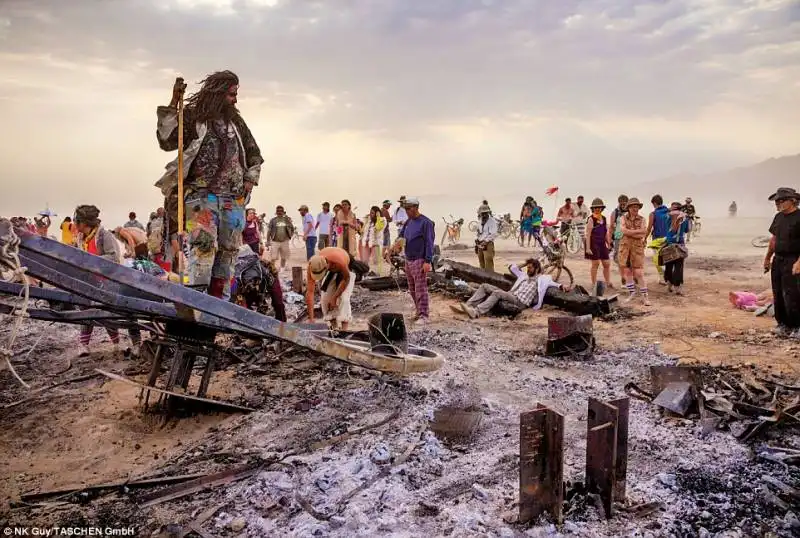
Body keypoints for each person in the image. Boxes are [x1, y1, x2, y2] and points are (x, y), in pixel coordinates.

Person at [155, 72, 263, 299]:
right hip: (201, 200)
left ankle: (219, 304)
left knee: (228, 255)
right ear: (218, 93)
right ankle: (198, 303)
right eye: (232, 94)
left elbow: (255, 155)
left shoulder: (236, 123)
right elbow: (167, 140)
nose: (235, 100)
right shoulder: (194, 119)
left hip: (233, 201)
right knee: (202, 252)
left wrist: (250, 181)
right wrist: (174, 102)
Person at [74, 205, 141, 355]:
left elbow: (113, 257)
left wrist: (90, 260)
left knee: (126, 311)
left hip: (111, 281)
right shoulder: (80, 238)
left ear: (84, 223)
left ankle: (137, 343)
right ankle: (85, 344)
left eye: (77, 221)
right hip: (91, 281)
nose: (75, 224)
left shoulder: (104, 236)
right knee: (86, 308)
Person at [454, 259, 565, 318]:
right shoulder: (524, 276)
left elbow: (553, 283)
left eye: (530, 268)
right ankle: (468, 306)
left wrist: (561, 286)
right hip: (512, 295)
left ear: (536, 269)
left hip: (520, 302)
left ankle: (476, 312)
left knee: (497, 293)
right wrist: (526, 263)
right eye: (528, 267)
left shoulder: (542, 278)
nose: (528, 269)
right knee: (484, 286)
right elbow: (513, 267)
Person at [389, 197, 435, 324]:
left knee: (421, 288)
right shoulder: (409, 221)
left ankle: (424, 315)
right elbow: (401, 236)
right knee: (412, 288)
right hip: (408, 258)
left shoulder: (426, 223)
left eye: (409, 209)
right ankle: (418, 310)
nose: (407, 211)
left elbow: (429, 243)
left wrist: (427, 261)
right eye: (406, 209)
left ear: (415, 208)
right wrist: (394, 246)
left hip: (420, 259)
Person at [764, 187, 800, 337]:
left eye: (781, 200)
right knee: (778, 292)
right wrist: (767, 258)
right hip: (778, 259)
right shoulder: (778, 217)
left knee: (794, 293)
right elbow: (774, 239)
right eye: (776, 201)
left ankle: (797, 326)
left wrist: (799, 262)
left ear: (792, 201)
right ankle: (783, 324)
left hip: (794, 259)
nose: (777, 203)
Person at [306, 247, 354, 330]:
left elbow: (346, 279)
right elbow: (310, 292)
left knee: (344, 299)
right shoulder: (312, 265)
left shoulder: (339, 262)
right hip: (331, 270)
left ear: (326, 266)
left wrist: (335, 297)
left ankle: (344, 331)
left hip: (346, 271)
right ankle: (334, 328)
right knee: (325, 300)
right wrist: (311, 319)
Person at [619, 197, 650, 306]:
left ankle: (645, 296)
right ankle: (632, 293)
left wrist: (630, 232)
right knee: (627, 272)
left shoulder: (642, 219)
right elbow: (623, 230)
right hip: (625, 248)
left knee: (639, 273)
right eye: (633, 207)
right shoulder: (623, 218)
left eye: (637, 207)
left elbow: (643, 232)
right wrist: (636, 232)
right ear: (629, 208)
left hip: (637, 248)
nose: (635, 209)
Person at [585, 198, 612, 293]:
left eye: (599, 207)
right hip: (593, 243)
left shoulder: (603, 218)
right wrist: (588, 248)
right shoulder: (591, 219)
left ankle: (608, 282)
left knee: (606, 263)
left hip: (602, 243)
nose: (597, 209)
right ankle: (593, 283)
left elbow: (605, 232)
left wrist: (608, 243)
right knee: (595, 264)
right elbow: (588, 234)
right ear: (593, 208)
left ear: (602, 208)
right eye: (596, 207)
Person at [663, 202, 689, 295]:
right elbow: (687, 230)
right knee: (679, 266)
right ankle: (677, 287)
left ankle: (669, 284)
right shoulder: (685, 218)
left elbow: (667, 229)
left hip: (669, 243)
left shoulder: (667, 216)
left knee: (668, 265)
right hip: (680, 244)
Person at [646, 194, 671, 284]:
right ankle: (668, 277)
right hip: (668, 239)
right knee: (667, 258)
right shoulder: (669, 212)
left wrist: (645, 238)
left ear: (654, 203)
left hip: (657, 239)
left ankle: (662, 278)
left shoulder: (653, 214)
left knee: (657, 259)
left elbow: (649, 228)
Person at [607, 195, 629, 285]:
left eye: (625, 202)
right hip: (618, 238)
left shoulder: (630, 212)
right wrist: (609, 241)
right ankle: (623, 277)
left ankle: (629, 278)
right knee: (619, 259)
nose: (623, 204)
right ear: (619, 202)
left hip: (629, 238)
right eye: (621, 202)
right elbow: (611, 227)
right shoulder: (615, 213)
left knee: (629, 259)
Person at [362, 206, 386, 274]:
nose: (370, 214)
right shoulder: (369, 220)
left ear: (377, 213)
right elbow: (362, 231)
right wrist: (365, 221)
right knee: (365, 261)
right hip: (366, 242)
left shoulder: (382, 220)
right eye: (370, 213)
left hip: (376, 243)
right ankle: (365, 273)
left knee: (376, 261)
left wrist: (378, 217)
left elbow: (378, 227)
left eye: (372, 213)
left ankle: (377, 274)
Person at [475, 203, 498, 272]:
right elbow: (478, 232)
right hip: (480, 244)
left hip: (488, 244)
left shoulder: (492, 221)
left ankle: (490, 278)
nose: (484, 215)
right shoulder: (480, 221)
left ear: (488, 212)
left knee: (488, 262)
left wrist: (485, 241)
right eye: (482, 213)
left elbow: (493, 234)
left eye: (485, 213)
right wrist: (477, 240)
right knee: (481, 263)